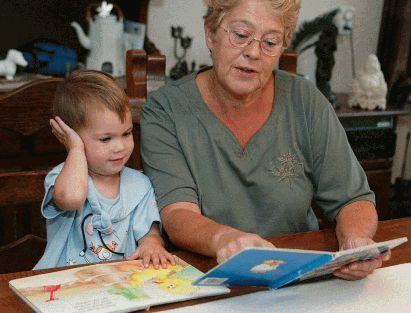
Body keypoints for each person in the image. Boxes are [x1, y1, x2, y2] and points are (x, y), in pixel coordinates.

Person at [141, 0, 389, 280]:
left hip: (297, 277)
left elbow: (352, 198)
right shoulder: (166, 110)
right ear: (210, 33)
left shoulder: (306, 102)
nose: (253, 52)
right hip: (205, 277)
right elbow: (177, 215)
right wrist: (224, 239)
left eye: (270, 42)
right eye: (241, 35)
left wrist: (355, 242)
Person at [34, 70, 175, 270]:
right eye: (105, 139)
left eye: (126, 133)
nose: (120, 146)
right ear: (69, 135)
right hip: (65, 285)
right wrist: (75, 149)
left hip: (119, 286)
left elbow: (149, 232)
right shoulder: (62, 178)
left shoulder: (139, 184)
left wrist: (152, 243)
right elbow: (73, 198)